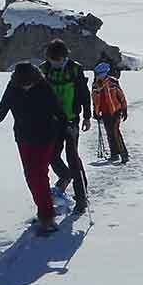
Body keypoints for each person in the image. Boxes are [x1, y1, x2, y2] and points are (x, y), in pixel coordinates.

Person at [0, 62, 67, 235]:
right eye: (23, 84)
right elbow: (2, 110)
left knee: (39, 175)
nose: (26, 86)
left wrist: (68, 126)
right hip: (23, 138)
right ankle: (43, 209)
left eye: (29, 83)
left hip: (46, 136)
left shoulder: (43, 86)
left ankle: (47, 217)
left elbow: (57, 109)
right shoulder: (13, 88)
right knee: (30, 176)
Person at [42, 39, 91, 214]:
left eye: (59, 59)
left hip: (71, 120)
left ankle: (81, 196)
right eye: (53, 59)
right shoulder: (44, 69)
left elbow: (84, 94)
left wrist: (86, 116)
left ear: (65, 56)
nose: (56, 62)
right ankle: (65, 175)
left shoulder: (75, 69)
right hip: (51, 121)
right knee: (51, 155)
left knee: (72, 156)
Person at [92, 62, 131, 164]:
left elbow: (121, 96)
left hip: (115, 111)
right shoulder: (95, 85)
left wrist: (124, 109)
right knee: (110, 133)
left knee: (115, 133)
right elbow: (95, 100)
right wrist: (95, 112)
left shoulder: (113, 82)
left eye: (102, 73)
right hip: (105, 113)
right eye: (99, 73)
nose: (100, 75)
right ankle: (114, 154)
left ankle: (124, 154)